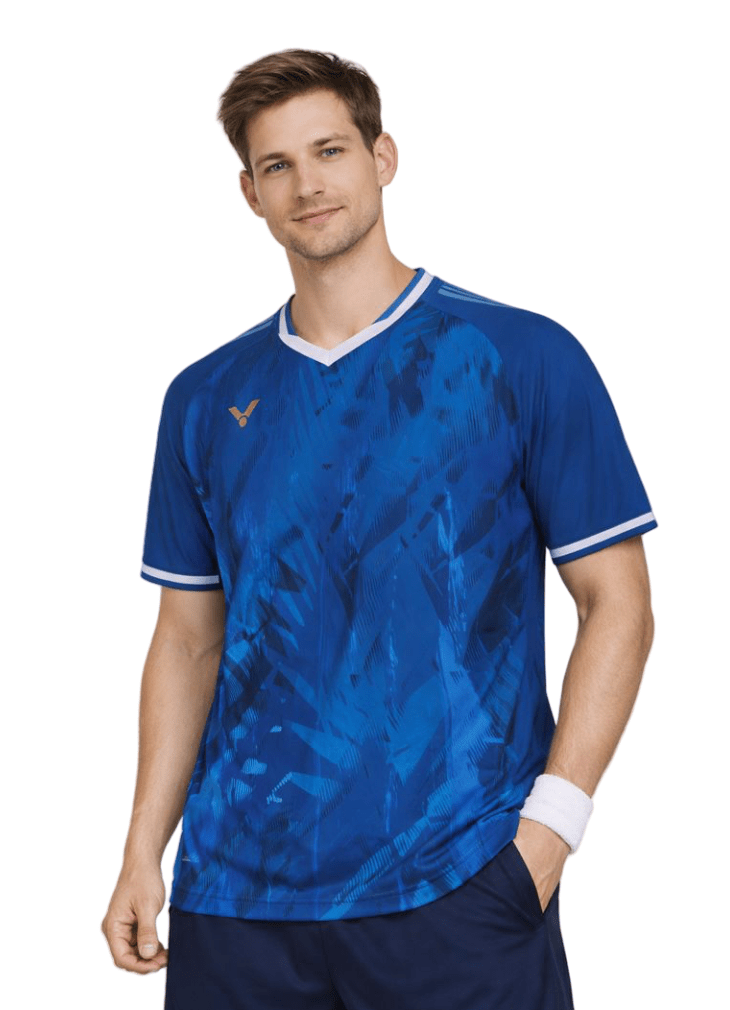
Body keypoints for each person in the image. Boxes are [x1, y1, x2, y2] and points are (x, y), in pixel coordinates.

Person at [101, 48, 658, 1009]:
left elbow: (620, 604)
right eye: (277, 165)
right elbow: (189, 640)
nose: (308, 184)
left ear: (382, 156)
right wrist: (142, 850)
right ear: (250, 193)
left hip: (459, 880)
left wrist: (549, 834)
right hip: (236, 898)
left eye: (330, 151)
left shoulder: (520, 356)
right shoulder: (204, 398)